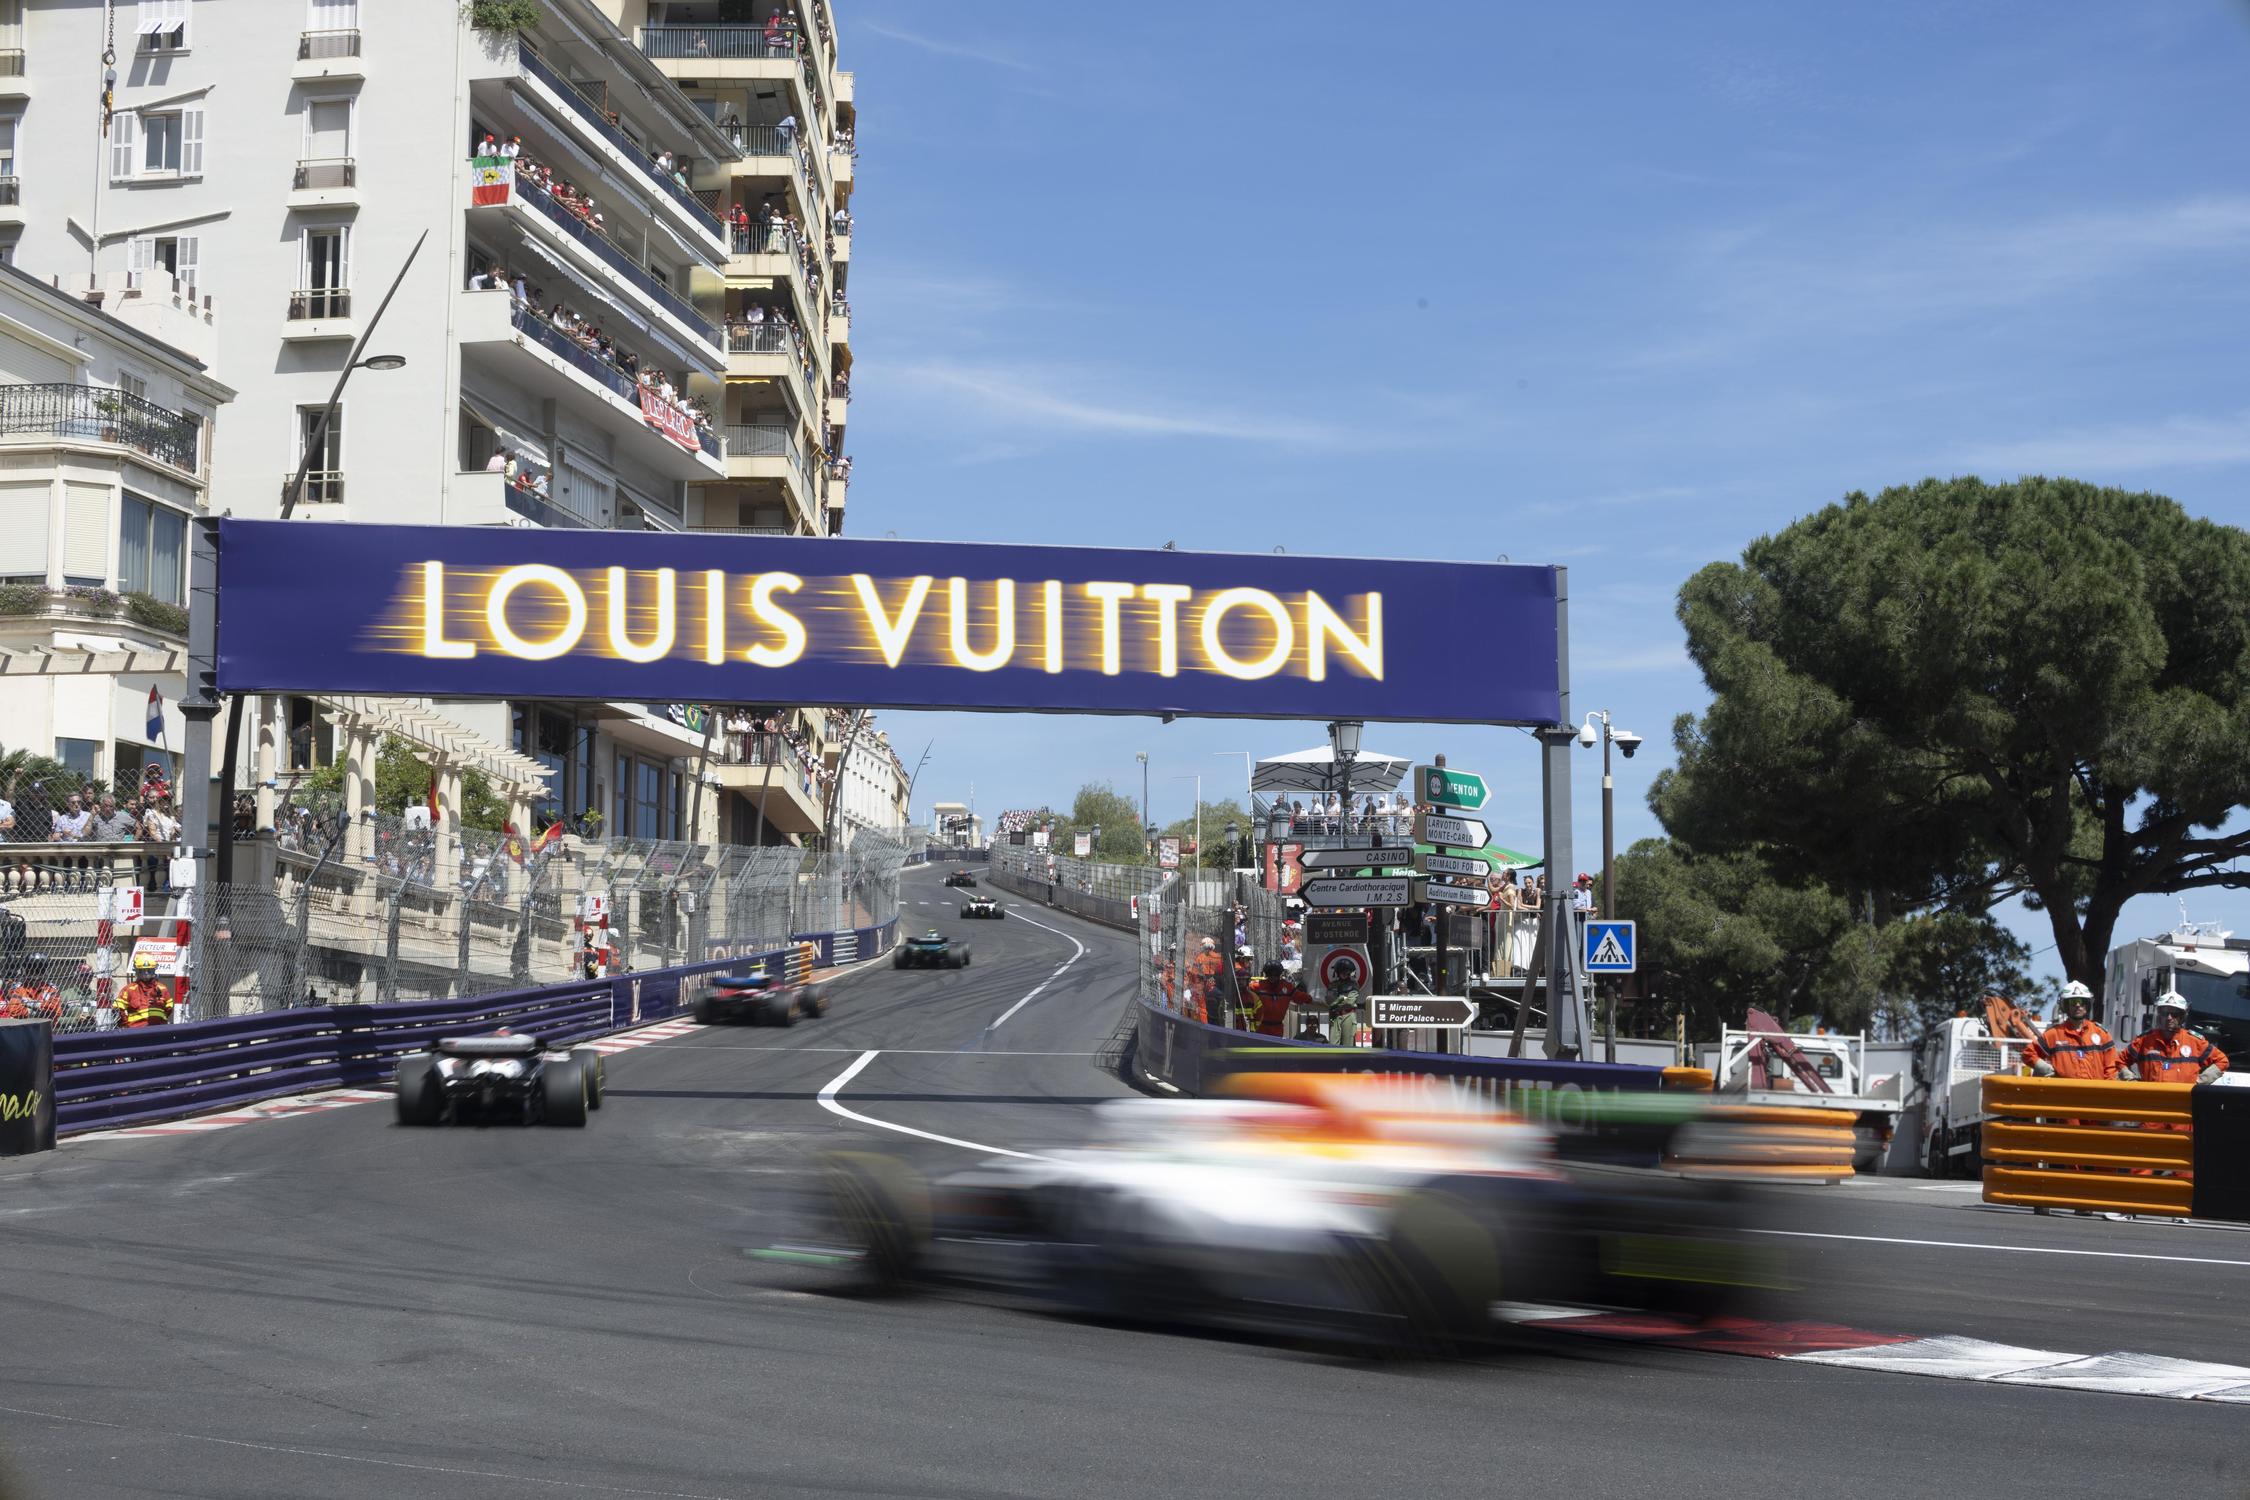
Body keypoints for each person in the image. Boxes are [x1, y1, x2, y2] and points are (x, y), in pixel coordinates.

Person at [2119, 992, 2229, 1085]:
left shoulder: (2195, 1042)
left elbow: (2222, 1061)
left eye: (2175, 1014)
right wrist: (2132, 1081)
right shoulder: (2144, 1040)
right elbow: (2119, 1061)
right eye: (2165, 1013)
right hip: (2151, 1103)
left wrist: (2199, 1083)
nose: (2169, 1018)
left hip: (2184, 1103)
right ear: (2159, 1015)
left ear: (2182, 1017)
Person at [2027, 981, 2118, 1079]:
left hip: (2094, 1093)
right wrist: (2043, 1067)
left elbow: (2111, 1068)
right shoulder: (2054, 1034)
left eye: (2082, 1001)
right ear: (2065, 1005)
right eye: (2073, 1002)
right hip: (2064, 1093)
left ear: (2087, 1005)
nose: (2078, 1005)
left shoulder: (2101, 1034)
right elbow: (2028, 1054)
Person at [1247, 961, 1313, 1038]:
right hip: (1260, 1027)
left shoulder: (1287, 987)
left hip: (1277, 1028)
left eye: (1276, 975)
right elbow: (1243, 990)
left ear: (1279, 975)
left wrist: (1317, 1001)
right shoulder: (1257, 986)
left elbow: (1302, 997)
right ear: (1266, 975)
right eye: (1270, 974)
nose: (1273, 977)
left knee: (1275, 1049)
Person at [117, 953, 174, 1027]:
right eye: (142, 970)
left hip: (159, 1031)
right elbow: (118, 1009)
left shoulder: (162, 989)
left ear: (154, 969)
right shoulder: (129, 990)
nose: (146, 973)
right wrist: (127, 1026)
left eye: (149, 970)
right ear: (137, 970)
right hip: (136, 1032)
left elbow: (169, 1009)